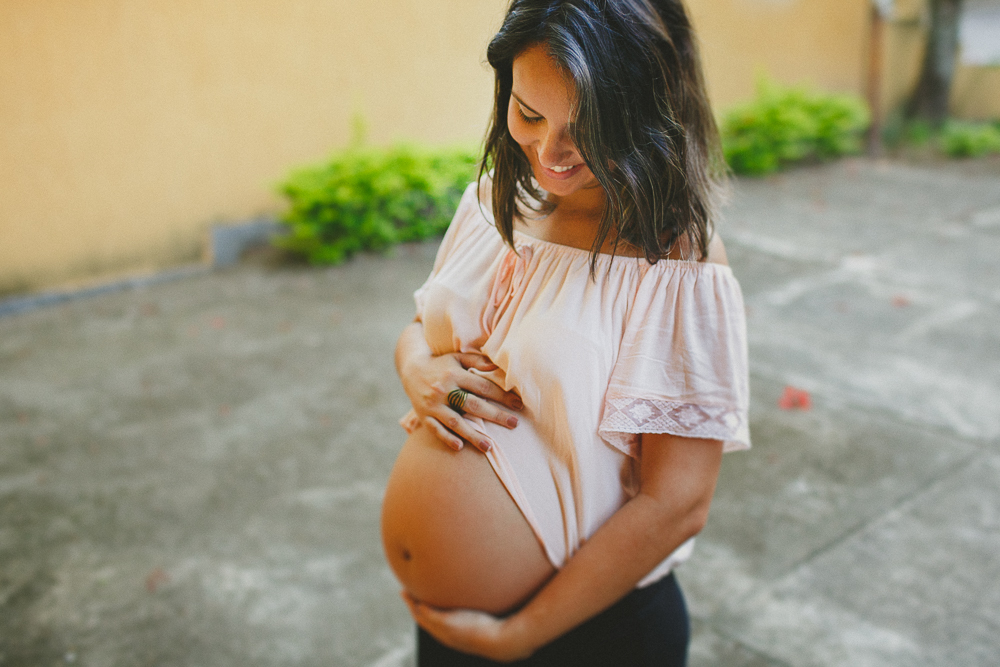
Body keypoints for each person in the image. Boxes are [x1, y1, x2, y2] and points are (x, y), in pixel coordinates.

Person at [379, 0, 750, 664]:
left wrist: (519, 636)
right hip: (450, 627)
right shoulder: (495, 200)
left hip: (585, 634)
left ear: (651, 107)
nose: (549, 151)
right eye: (528, 114)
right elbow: (420, 328)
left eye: (589, 127)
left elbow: (677, 502)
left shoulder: (676, 262)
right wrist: (417, 371)